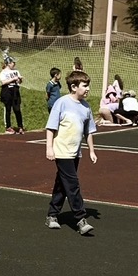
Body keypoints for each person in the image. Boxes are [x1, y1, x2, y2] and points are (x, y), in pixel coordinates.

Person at [44, 69, 98, 235]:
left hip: (75, 152)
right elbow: (51, 127)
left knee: (62, 184)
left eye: (88, 85)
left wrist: (91, 151)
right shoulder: (62, 102)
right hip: (62, 151)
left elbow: (88, 131)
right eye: (85, 85)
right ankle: (81, 219)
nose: (88, 88)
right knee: (72, 184)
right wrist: (49, 147)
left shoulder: (86, 107)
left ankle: (52, 215)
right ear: (74, 87)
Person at [0, 57, 24, 134]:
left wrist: (19, 79)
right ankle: (8, 127)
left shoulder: (16, 71)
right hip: (7, 91)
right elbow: (3, 82)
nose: (14, 64)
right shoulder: (3, 72)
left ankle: (20, 126)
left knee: (17, 109)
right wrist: (13, 79)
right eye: (13, 63)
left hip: (15, 91)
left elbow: (20, 82)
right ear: (9, 63)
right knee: (8, 109)